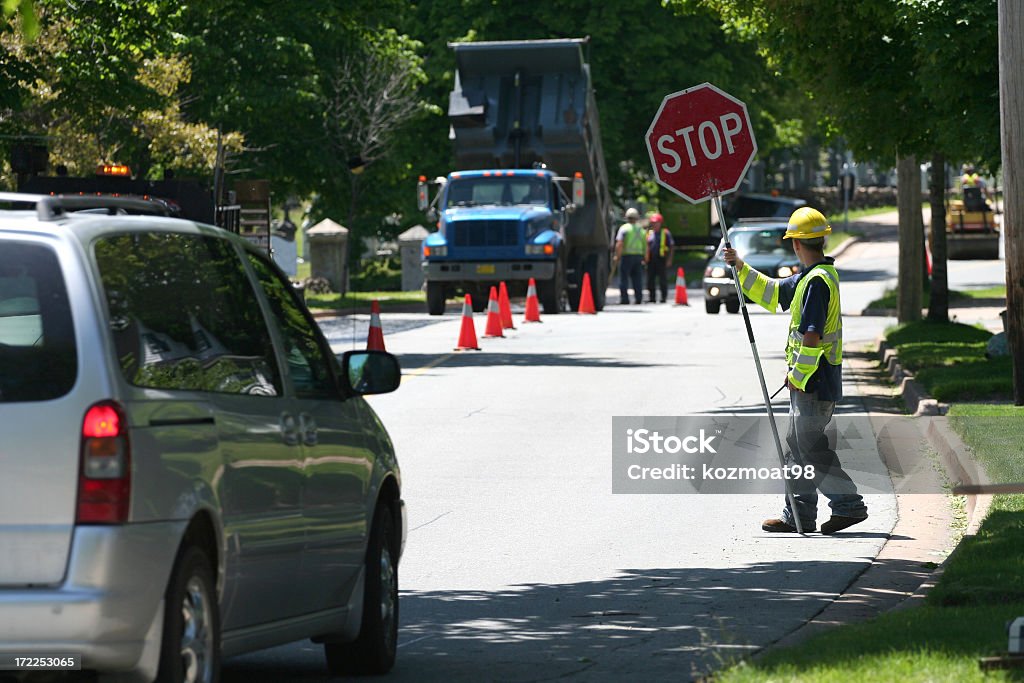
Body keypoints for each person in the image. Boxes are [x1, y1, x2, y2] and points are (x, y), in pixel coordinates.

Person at [723, 207, 868, 535]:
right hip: (815, 380)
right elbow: (773, 293)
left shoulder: (816, 282)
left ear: (796, 244)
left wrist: (798, 376)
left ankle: (847, 506)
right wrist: (740, 267)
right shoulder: (812, 276)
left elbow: (812, 335)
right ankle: (799, 516)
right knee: (800, 445)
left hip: (814, 382)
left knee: (806, 446)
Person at [614, 207, 646, 304]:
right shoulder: (641, 229)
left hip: (626, 256)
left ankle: (625, 299)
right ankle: (638, 298)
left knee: (624, 279)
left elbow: (619, 243)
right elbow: (646, 244)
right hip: (638, 257)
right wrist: (645, 256)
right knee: (637, 279)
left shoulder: (624, 228)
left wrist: (617, 256)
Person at [645, 213, 674, 303]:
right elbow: (646, 247)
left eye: (656, 223)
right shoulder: (649, 233)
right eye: (653, 223)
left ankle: (663, 297)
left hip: (661, 259)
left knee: (662, 280)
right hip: (651, 260)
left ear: (660, 223)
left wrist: (669, 259)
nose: (654, 225)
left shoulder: (665, 233)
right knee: (650, 280)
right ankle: (652, 298)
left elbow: (672, 246)